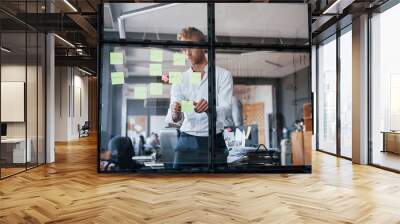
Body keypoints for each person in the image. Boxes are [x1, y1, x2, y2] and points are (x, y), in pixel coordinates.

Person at [165, 27, 233, 169]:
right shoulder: (180, 79)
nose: (187, 53)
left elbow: (226, 111)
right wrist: (175, 112)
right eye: (183, 49)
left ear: (203, 47)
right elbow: (174, 119)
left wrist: (209, 109)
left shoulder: (223, 75)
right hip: (186, 141)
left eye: (192, 47)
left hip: (214, 142)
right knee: (181, 188)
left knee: (219, 188)